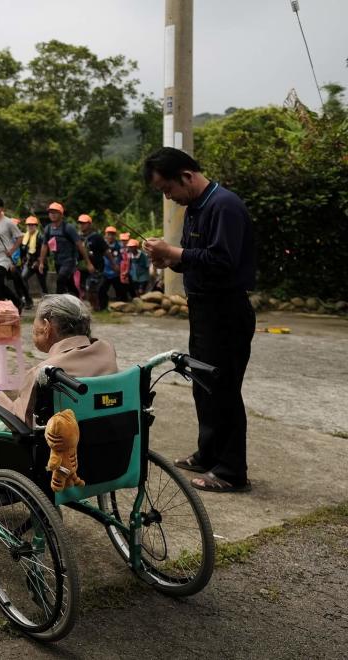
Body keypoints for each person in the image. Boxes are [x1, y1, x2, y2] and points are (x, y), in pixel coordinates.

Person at [143, 147, 255, 493]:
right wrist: (169, 259)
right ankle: (208, 454)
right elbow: (197, 258)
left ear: (186, 177)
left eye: (168, 189)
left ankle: (232, 471)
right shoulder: (196, 207)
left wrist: (174, 253)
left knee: (223, 390)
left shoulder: (224, 206)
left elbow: (222, 260)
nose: (169, 197)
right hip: (204, 310)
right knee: (203, 386)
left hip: (226, 311)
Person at [0, 294, 117, 420]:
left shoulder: (44, 373)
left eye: (35, 327)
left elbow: (19, 419)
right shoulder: (107, 351)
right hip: (111, 447)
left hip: (60, 455)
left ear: (46, 328)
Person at [36, 202, 94, 297]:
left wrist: (88, 263)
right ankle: (76, 298)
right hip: (57, 261)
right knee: (69, 283)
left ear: (61, 214)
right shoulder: (48, 228)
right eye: (50, 212)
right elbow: (44, 245)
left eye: (55, 212)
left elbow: (80, 245)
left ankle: (57, 304)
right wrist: (41, 262)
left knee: (60, 280)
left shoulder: (68, 228)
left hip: (69, 260)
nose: (52, 215)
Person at [77, 214, 107, 310]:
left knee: (92, 288)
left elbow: (106, 251)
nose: (81, 225)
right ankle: (94, 305)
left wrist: (114, 264)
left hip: (96, 267)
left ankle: (98, 307)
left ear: (89, 224)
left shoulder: (97, 237)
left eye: (84, 223)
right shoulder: (78, 237)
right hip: (82, 267)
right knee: (83, 289)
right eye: (80, 223)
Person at [99, 226, 129, 308]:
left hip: (116, 273)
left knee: (121, 291)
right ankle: (102, 307)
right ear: (105, 235)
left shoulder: (120, 246)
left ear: (115, 235)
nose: (110, 236)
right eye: (109, 234)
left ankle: (123, 307)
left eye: (112, 234)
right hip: (105, 272)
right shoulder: (101, 245)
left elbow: (125, 259)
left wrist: (121, 269)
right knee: (102, 289)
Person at [20, 215, 47, 304]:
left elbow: (46, 251)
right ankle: (27, 297)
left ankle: (46, 300)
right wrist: (23, 260)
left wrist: (39, 262)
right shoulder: (25, 236)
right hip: (29, 263)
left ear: (36, 226)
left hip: (40, 263)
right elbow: (24, 250)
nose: (30, 226)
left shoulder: (40, 237)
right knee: (23, 277)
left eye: (32, 225)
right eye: (28, 225)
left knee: (42, 282)